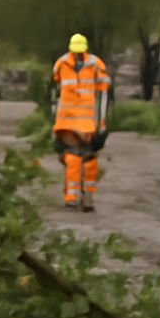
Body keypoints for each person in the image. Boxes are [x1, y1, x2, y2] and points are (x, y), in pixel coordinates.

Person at [52, 34, 111, 212]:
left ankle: (86, 197)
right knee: (74, 158)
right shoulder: (63, 64)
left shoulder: (93, 65)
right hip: (69, 122)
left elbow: (103, 94)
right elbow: (56, 92)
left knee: (88, 160)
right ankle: (74, 196)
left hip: (84, 122)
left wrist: (101, 122)